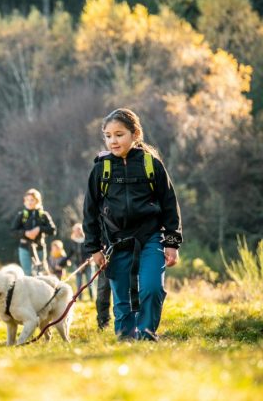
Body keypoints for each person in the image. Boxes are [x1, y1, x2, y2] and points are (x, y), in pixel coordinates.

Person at [83, 108, 182, 341]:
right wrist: (93, 248)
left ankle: (147, 335)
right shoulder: (101, 169)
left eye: (119, 134)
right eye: (108, 136)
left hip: (150, 238)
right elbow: (89, 211)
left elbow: (170, 205)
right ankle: (126, 342)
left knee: (152, 288)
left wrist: (172, 243)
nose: (113, 141)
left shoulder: (151, 165)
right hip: (115, 242)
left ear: (135, 134)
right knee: (122, 298)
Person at [10, 189, 56, 276]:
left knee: (39, 274)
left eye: (32, 200)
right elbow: (13, 231)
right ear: (24, 202)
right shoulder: (21, 215)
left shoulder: (43, 215)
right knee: (28, 274)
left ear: (37, 201)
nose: (29, 202)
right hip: (24, 248)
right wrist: (25, 233)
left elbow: (53, 230)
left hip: (39, 248)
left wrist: (39, 229)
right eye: (27, 200)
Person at [67, 223, 95, 302]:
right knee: (78, 283)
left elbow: (90, 252)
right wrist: (61, 263)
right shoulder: (73, 241)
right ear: (74, 231)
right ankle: (79, 299)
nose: (78, 231)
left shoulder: (86, 240)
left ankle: (92, 297)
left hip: (88, 264)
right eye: (76, 230)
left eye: (79, 229)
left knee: (90, 282)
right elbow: (70, 254)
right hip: (77, 265)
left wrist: (85, 264)